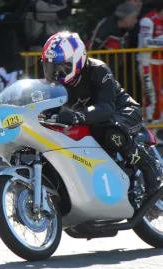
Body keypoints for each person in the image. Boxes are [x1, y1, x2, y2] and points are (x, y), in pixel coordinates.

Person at [41, 31, 162, 196]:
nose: (55, 73)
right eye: (49, 67)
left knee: (112, 134)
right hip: (91, 120)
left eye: (61, 67)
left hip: (124, 112)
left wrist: (74, 117)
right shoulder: (53, 86)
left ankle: (149, 169)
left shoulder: (98, 70)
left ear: (77, 60)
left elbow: (106, 108)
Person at [138, 1, 163, 123]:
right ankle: (152, 122)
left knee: (158, 95)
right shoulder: (147, 21)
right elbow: (147, 42)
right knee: (152, 95)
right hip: (147, 62)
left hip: (159, 62)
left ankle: (155, 121)